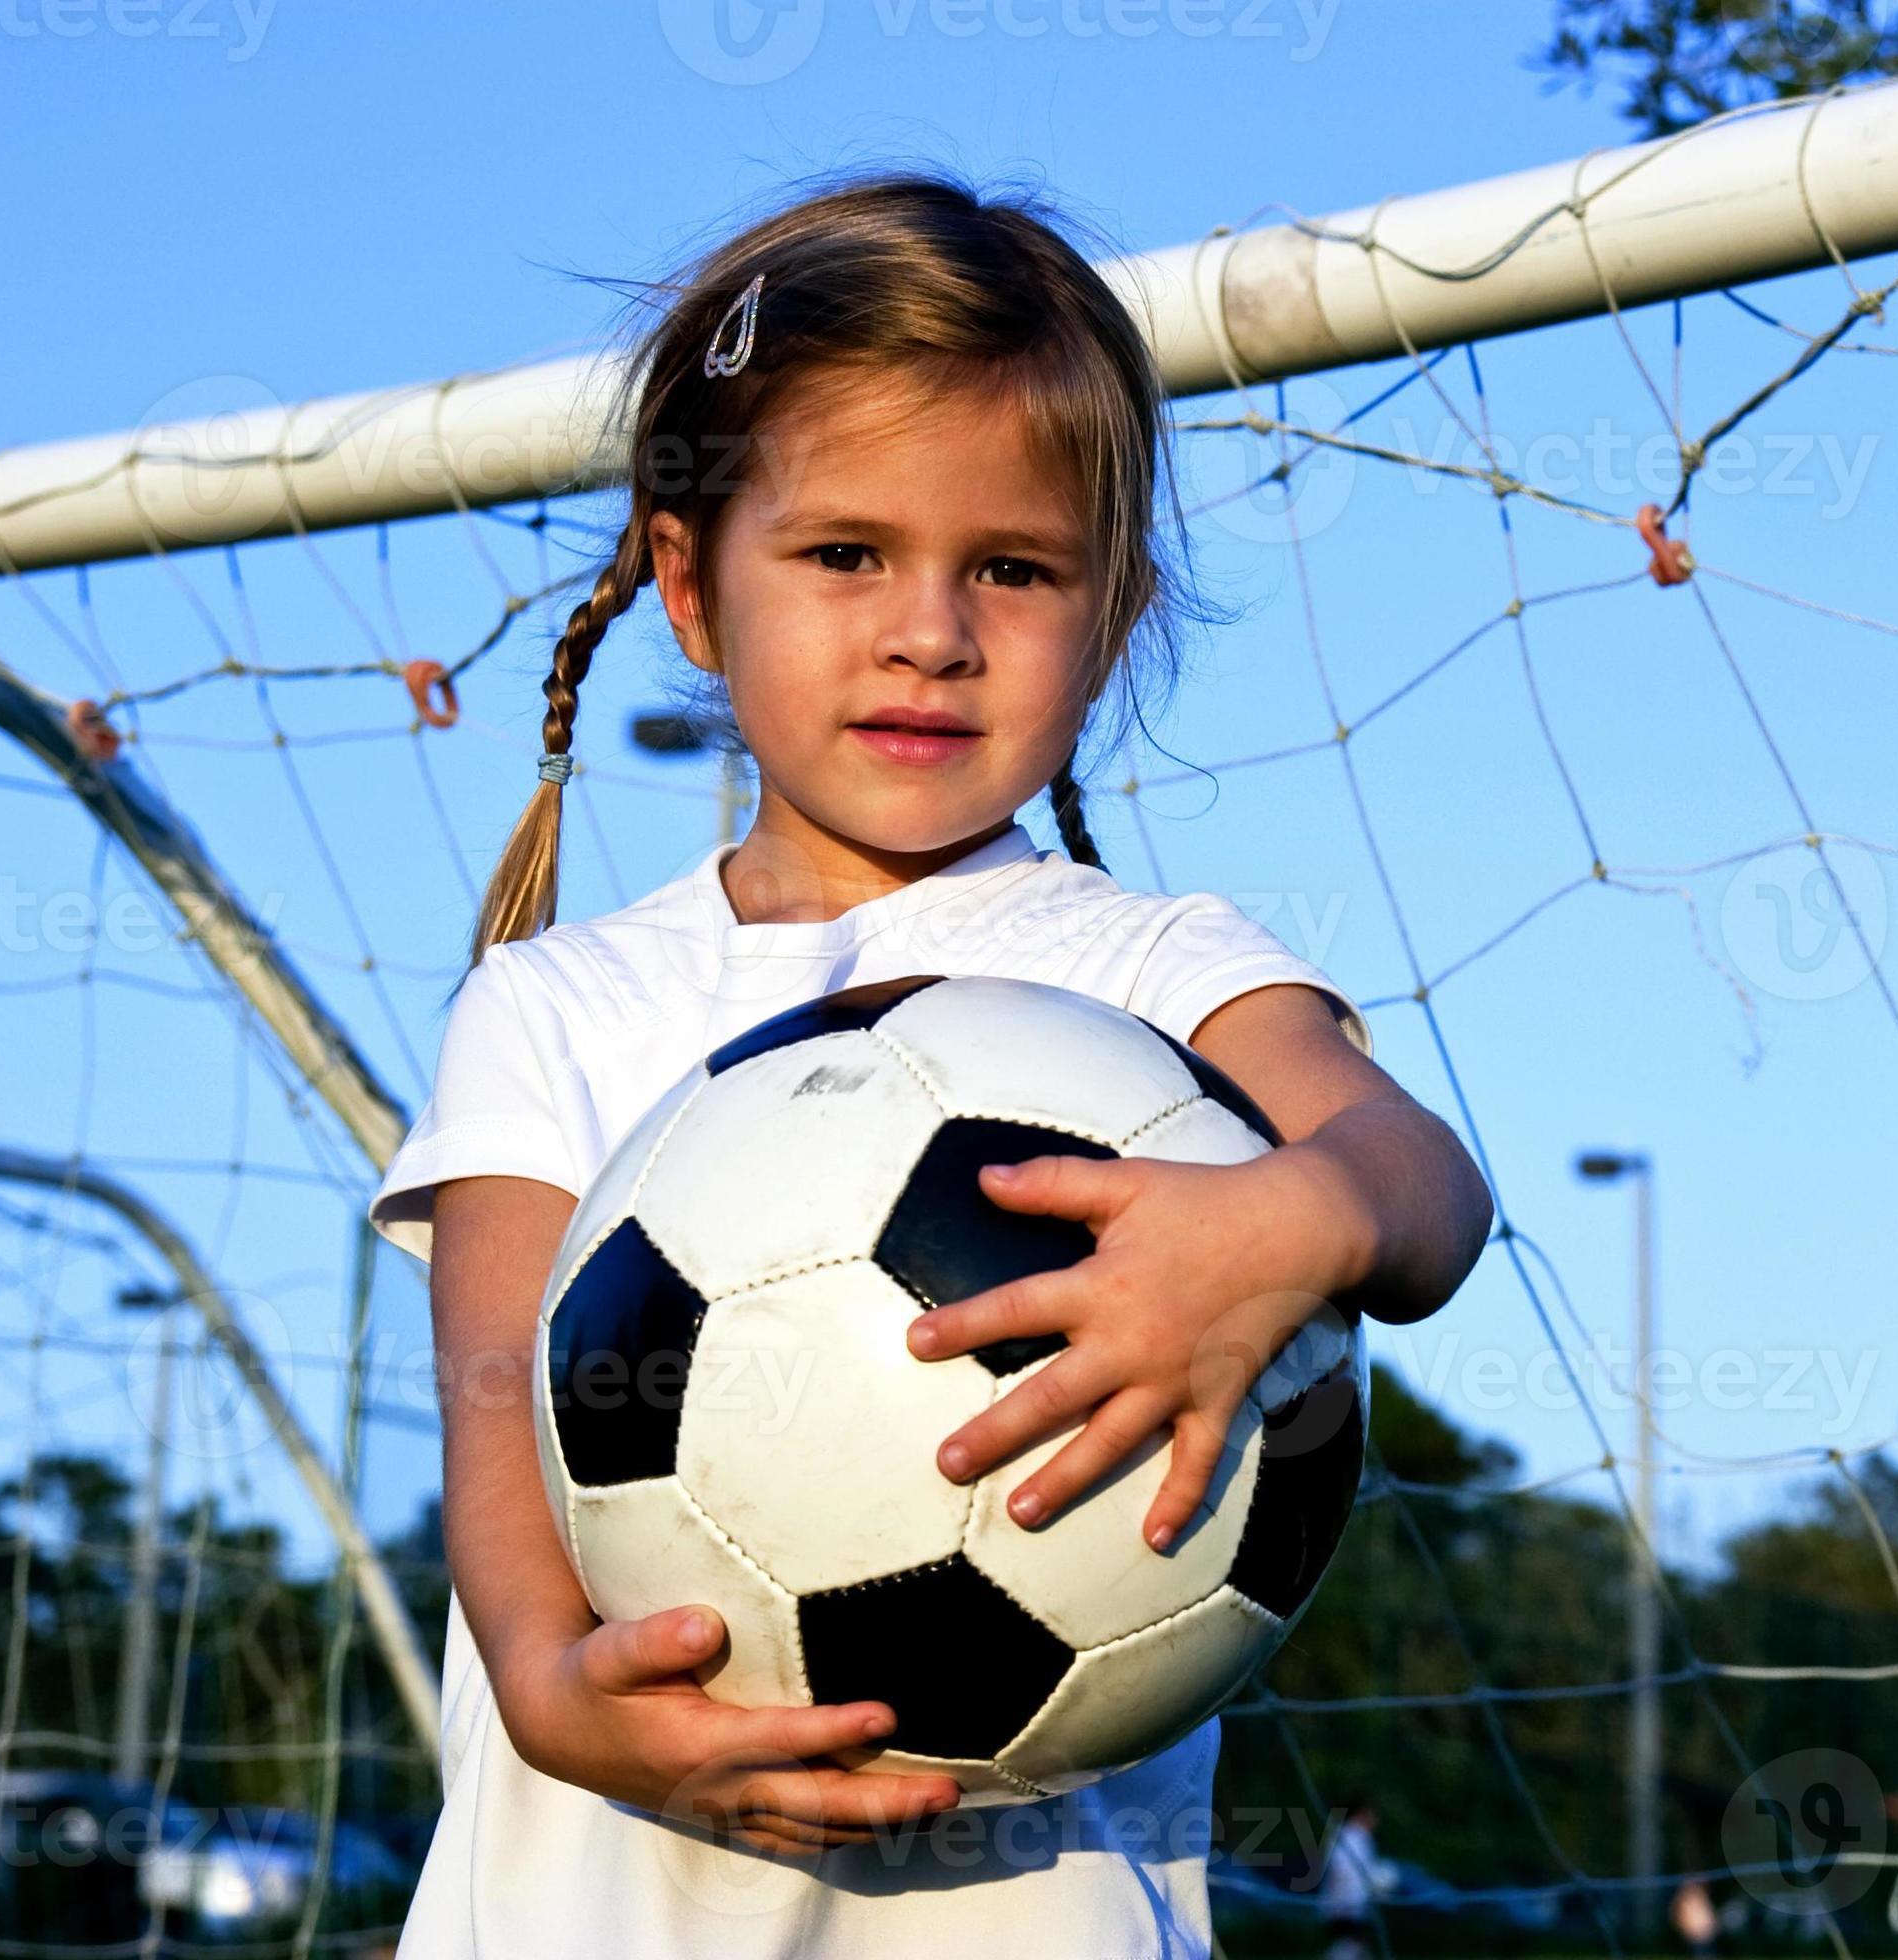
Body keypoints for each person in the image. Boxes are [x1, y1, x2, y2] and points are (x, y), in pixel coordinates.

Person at [365, 170, 1495, 1958]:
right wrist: (551, 1684)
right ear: (688, 580)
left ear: (1112, 615)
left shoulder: (1156, 979)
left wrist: (1296, 1218)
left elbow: (1428, 1195)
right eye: (844, 555)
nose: (929, 632)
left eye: (1015, 570)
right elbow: (500, 1405)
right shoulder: (557, 1005)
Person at [1317, 1798, 1382, 1960]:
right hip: (1346, 1903)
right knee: (1352, 1943)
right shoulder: (1349, 1836)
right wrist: (1339, 1902)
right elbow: (1338, 1869)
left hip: (1355, 1902)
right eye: (1372, 1814)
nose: (1375, 1819)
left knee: (1357, 1944)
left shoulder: (1361, 1837)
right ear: (1361, 1814)